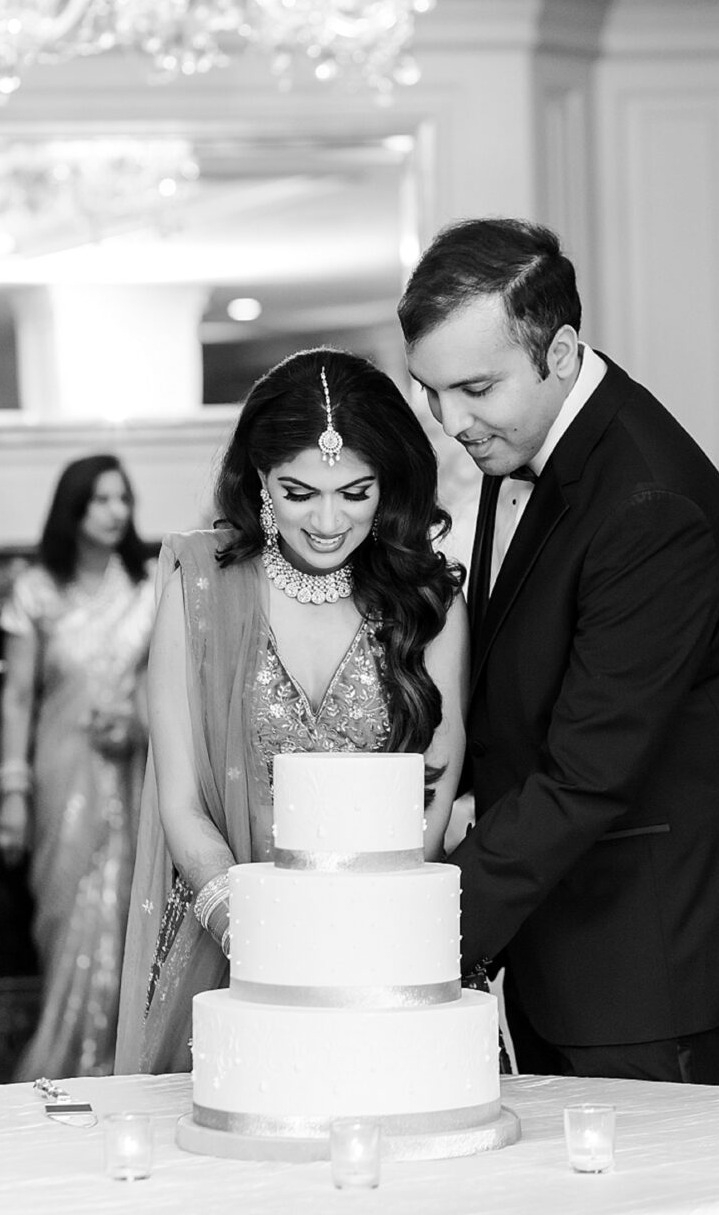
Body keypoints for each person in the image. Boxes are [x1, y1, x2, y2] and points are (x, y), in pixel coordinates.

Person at [398, 216, 719, 1087]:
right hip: (562, 926)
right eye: (430, 392)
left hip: (645, 953)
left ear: (561, 348)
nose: (450, 422)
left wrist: (421, 929)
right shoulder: (525, 437)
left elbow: (589, 769)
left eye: (473, 388)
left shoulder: (649, 503)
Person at [114, 347, 469, 1075]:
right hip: (228, 945)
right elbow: (180, 803)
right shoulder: (201, 588)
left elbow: (426, 806)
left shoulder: (426, 603)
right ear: (258, 482)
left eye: (357, 492)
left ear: (391, 485)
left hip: (379, 951)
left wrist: (349, 948)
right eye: (299, 493)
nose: (330, 520)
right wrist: (261, 938)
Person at [0, 455, 158, 1078]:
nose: (117, 512)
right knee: (65, 918)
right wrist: (13, 790)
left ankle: (125, 1065)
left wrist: (138, 724)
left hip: (134, 775)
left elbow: (163, 682)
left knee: (127, 912)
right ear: (73, 508)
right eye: (101, 500)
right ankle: (65, 1066)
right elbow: (15, 696)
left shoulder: (148, 587)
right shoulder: (36, 589)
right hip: (62, 774)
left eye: (123, 499)